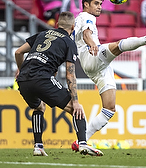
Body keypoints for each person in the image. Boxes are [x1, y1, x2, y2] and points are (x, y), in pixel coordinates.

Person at [71, 0, 146, 151]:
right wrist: (91, 44)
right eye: (96, 3)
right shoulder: (85, 16)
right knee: (118, 46)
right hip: (92, 55)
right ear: (86, 4)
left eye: (100, 4)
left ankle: (80, 141)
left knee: (109, 109)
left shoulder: (79, 18)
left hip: (95, 68)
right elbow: (86, 34)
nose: (99, 7)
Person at [15, 12, 103, 156]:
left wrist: (21, 69)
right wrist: (75, 101)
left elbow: (18, 52)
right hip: (42, 78)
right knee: (77, 110)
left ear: (57, 25)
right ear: (73, 27)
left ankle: (38, 146)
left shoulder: (42, 34)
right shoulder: (69, 42)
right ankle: (83, 144)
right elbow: (70, 74)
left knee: (38, 107)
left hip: (23, 80)